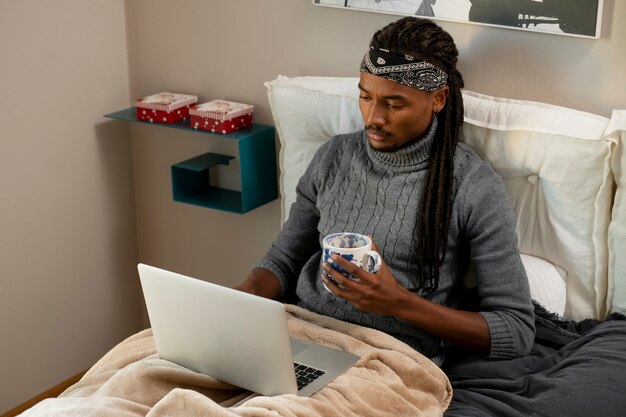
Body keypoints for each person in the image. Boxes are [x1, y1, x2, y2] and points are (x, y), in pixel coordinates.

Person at [236, 16, 535, 366]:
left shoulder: (472, 186)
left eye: (394, 104)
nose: (373, 117)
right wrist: (243, 298)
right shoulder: (334, 157)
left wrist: (397, 302)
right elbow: (284, 261)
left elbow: (515, 330)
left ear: (438, 99)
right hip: (300, 334)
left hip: (388, 359)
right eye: (365, 97)